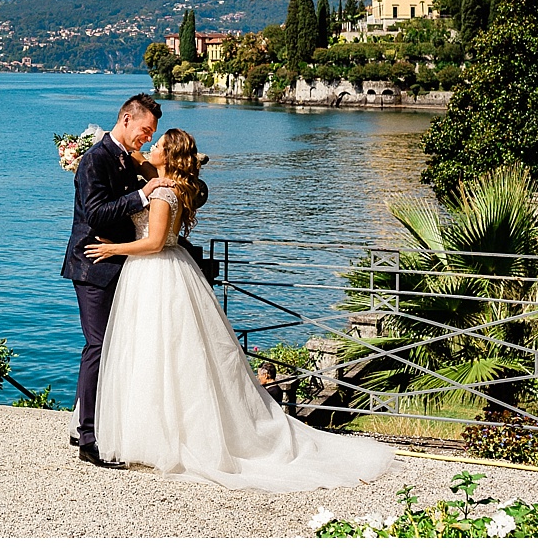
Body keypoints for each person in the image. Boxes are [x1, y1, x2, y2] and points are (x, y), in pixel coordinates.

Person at [84, 128, 393, 490]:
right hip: (164, 271)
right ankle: (155, 432)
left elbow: (153, 243)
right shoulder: (168, 184)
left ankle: (165, 438)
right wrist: (98, 141)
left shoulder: (164, 191)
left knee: (160, 352)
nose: (150, 147)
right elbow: (135, 158)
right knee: (165, 355)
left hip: (155, 269)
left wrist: (112, 250)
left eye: (158, 145)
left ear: (168, 157)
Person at [60, 93, 174, 468]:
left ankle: (84, 425)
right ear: (126, 119)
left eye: (152, 133)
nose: (146, 137)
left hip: (119, 263)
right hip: (93, 265)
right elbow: (94, 213)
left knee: (110, 347)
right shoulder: (95, 160)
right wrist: (143, 194)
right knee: (98, 347)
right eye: (145, 130)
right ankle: (89, 440)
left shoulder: (126, 159)